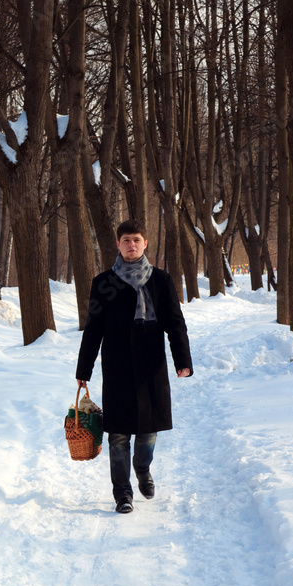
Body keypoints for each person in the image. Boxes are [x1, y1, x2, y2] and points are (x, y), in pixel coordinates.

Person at [76, 219, 193, 514]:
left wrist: (183, 360)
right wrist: (83, 370)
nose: (131, 245)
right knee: (118, 434)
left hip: (152, 366)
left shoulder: (161, 280)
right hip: (117, 367)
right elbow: (93, 328)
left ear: (145, 243)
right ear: (118, 244)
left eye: (136, 240)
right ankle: (122, 493)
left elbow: (175, 323)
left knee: (148, 431)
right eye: (126, 240)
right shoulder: (104, 283)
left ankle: (142, 467)